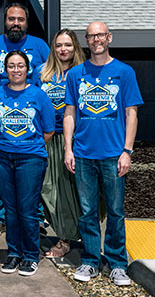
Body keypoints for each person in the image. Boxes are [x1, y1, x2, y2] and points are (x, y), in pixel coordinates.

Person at [64, 21, 143, 287]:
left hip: (113, 154)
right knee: (87, 212)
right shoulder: (76, 74)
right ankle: (90, 261)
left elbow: (132, 114)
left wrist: (127, 151)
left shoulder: (124, 72)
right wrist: (68, 148)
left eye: (100, 35)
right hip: (84, 153)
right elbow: (70, 113)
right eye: (91, 36)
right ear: (86, 41)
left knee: (115, 212)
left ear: (109, 37)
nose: (96, 39)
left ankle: (118, 264)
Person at [0, 50, 54, 276]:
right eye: (11, 66)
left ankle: (31, 255)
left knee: (27, 209)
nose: (16, 70)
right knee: (10, 209)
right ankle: (14, 253)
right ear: (5, 70)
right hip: (2, 157)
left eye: (20, 65)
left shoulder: (39, 95)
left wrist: (27, 146)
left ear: (28, 69)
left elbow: (48, 130)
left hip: (30, 159)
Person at [0, 2, 51, 237]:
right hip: (1, 116)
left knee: (33, 175)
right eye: (11, 19)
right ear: (5, 21)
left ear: (26, 22)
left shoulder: (39, 45)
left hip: (30, 119)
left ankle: (36, 216)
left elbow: (50, 75)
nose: (15, 23)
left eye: (20, 19)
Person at [37, 29, 87, 258]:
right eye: (58, 45)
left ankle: (83, 237)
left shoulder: (83, 73)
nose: (63, 49)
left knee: (77, 192)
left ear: (75, 47)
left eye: (67, 45)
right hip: (48, 138)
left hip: (77, 140)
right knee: (50, 190)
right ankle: (64, 235)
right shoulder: (42, 73)